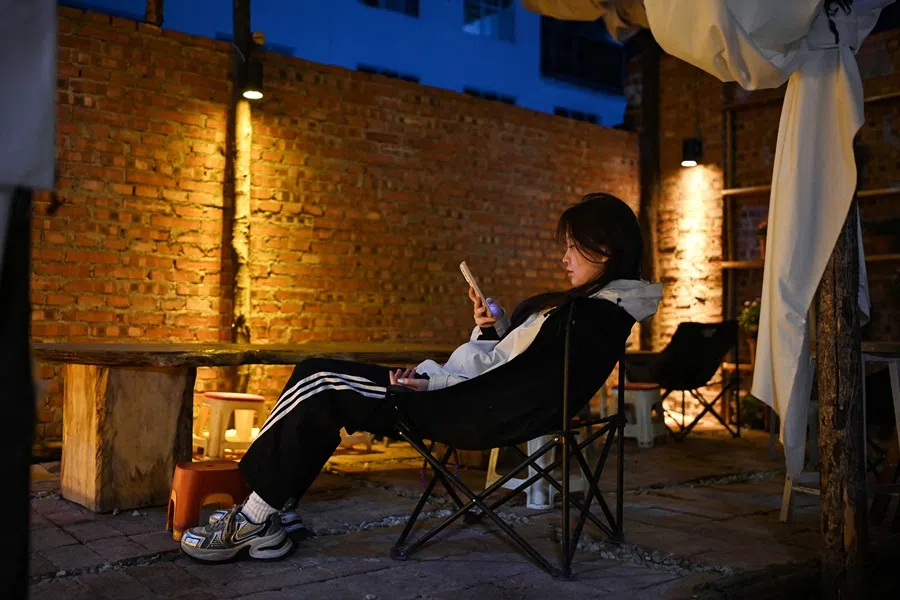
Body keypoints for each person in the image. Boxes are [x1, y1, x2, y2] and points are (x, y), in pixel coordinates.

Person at [180, 192, 662, 562]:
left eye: (573, 247)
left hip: (459, 408)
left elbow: (512, 384)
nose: (565, 258)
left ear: (606, 248)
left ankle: (257, 517)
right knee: (320, 380)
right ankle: (274, 506)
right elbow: (517, 371)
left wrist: (435, 385)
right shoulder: (603, 313)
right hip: (471, 400)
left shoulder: (586, 316)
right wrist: (487, 328)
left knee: (318, 380)